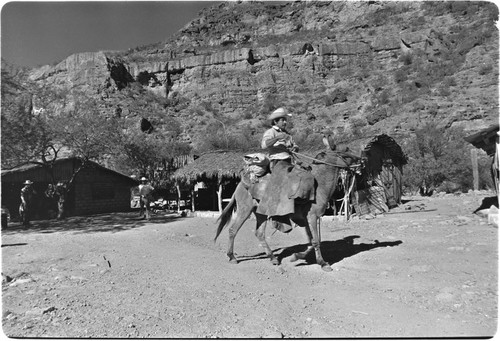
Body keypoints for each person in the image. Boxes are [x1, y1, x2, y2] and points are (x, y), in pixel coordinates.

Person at [256, 107, 299, 233]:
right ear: (275, 122)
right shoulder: (271, 132)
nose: (285, 122)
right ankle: (275, 215)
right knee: (283, 184)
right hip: (277, 162)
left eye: (285, 120)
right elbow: (264, 145)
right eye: (282, 120)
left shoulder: (288, 134)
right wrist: (277, 138)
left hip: (289, 161)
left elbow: (295, 146)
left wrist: (295, 148)